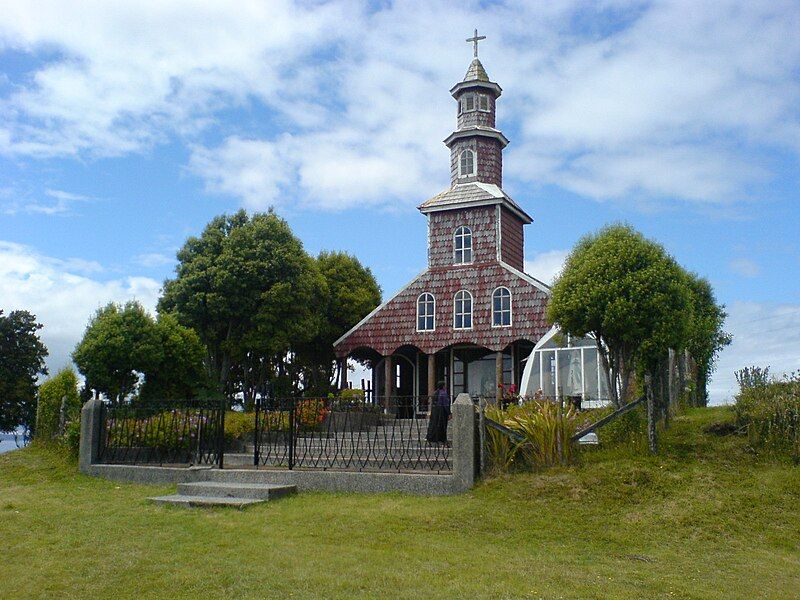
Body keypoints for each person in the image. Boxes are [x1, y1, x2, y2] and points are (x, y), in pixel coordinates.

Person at [426, 381, 451, 446]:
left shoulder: (435, 393)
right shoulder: (443, 393)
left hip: (435, 411)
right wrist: (449, 413)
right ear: (443, 386)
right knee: (442, 425)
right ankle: (441, 439)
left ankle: (432, 439)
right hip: (441, 411)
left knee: (434, 425)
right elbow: (445, 404)